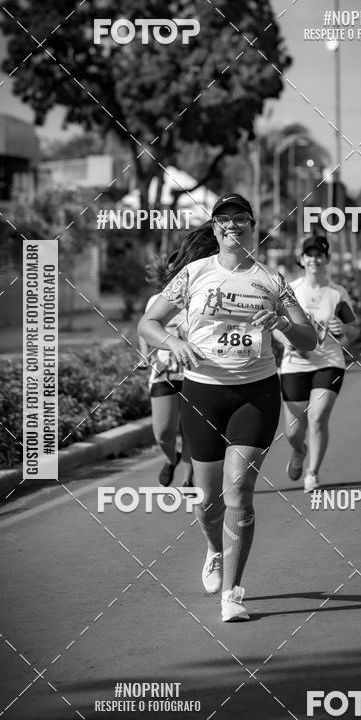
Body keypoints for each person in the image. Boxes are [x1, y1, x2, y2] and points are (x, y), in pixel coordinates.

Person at [137, 194, 316, 622]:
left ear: (252, 225)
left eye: (240, 218)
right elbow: (148, 323)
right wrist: (174, 342)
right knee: (208, 499)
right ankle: (215, 550)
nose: (232, 225)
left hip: (255, 394)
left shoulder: (272, 281)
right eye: (224, 219)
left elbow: (310, 339)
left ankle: (233, 594)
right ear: (215, 227)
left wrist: (284, 324)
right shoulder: (193, 274)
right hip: (202, 395)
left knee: (239, 492)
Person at [276, 235, 358, 493]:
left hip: (329, 361)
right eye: (309, 254)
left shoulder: (338, 293)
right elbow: (275, 326)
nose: (314, 259)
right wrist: (288, 342)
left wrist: (343, 327)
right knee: (292, 430)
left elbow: (354, 330)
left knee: (318, 416)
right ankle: (299, 450)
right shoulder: (291, 289)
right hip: (295, 364)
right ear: (301, 259)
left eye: (319, 254)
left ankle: (312, 473)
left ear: (327, 260)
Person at [137, 231, 220, 487]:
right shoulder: (156, 301)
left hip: (194, 372)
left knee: (191, 432)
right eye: (174, 267)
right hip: (163, 373)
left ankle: (188, 478)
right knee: (163, 433)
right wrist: (144, 355)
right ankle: (170, 458)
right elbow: (146, 330)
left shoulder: (201, 298)